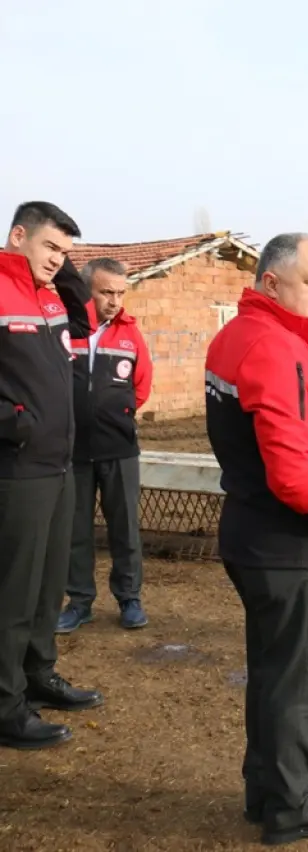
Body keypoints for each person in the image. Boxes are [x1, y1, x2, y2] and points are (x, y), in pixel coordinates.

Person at [204, 232, 308, 845]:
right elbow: (289, 467)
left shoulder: (238, 335)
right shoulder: (274, 348)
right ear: (271, 282)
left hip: (254, 532)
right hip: (287, 543)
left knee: (272, 672)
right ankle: (292, 805)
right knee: (295, 681)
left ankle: (268, 787)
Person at [0, 201, 104, 751]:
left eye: (65, 253)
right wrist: (14, 422)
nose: (57, 260)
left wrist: (56, 265)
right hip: (16, 465)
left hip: (59, 462)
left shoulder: (48, 296)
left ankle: (38, 674)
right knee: (13, 592)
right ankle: (5, 704)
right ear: (17, 235)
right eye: (49, 247)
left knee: (45, 588)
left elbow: (86, 318)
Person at [57, 257, 154, 634]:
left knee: (124, 528)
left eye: (120, 293)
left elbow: (141, 385)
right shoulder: (68, 329)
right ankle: (79, 601)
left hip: (119, 449)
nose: (115, 301)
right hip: (73, 449)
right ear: (87, 291)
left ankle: (129, 598)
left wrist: (121, 414)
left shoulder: (130, 334)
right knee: (75, 529)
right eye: (106, 292)